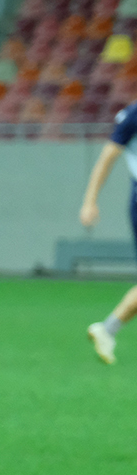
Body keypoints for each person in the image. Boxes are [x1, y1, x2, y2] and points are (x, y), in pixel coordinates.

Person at [81, 103, 137, 363]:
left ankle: (107, 329)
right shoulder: (133, 115)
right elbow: (106, 158)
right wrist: (90, 200)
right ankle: (108, 329)